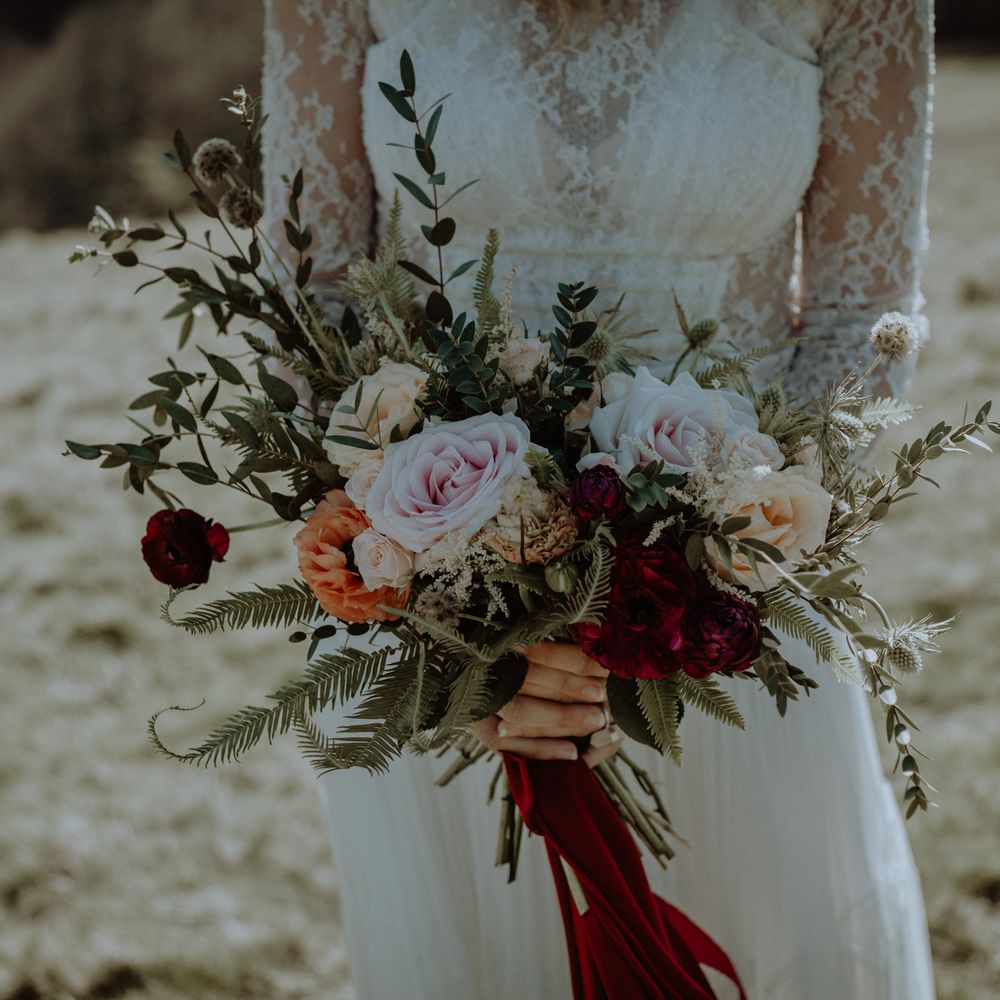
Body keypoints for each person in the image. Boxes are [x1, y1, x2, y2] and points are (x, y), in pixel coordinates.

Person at [262, 1, 936, 997]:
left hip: (725, 628)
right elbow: (311, 298)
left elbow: (859, 319)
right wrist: (474, 625)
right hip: (431, 629)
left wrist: (672, 597)